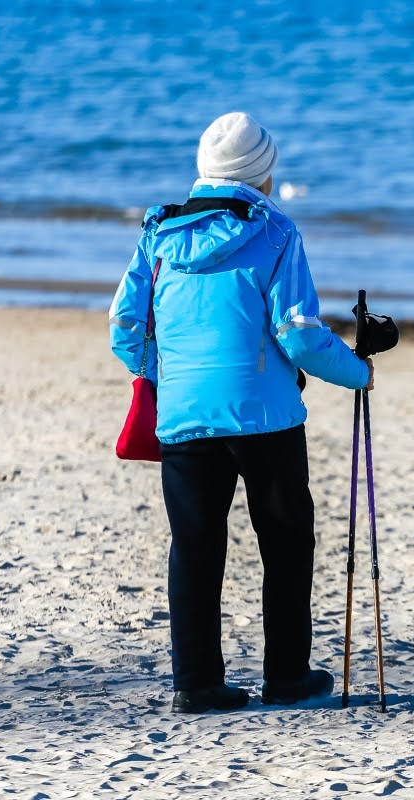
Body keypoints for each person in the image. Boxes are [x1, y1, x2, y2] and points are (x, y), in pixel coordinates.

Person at [109, 111, 374, 713]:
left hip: (182, 418)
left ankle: (196, 685)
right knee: (285, 543)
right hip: (268, 420)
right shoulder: (277, 233)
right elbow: (300, 335)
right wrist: (360, 373)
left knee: (195, 547)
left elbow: (125, 326)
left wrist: (161, 371)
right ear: (262, 172)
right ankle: (286, 676)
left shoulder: (158, 233)